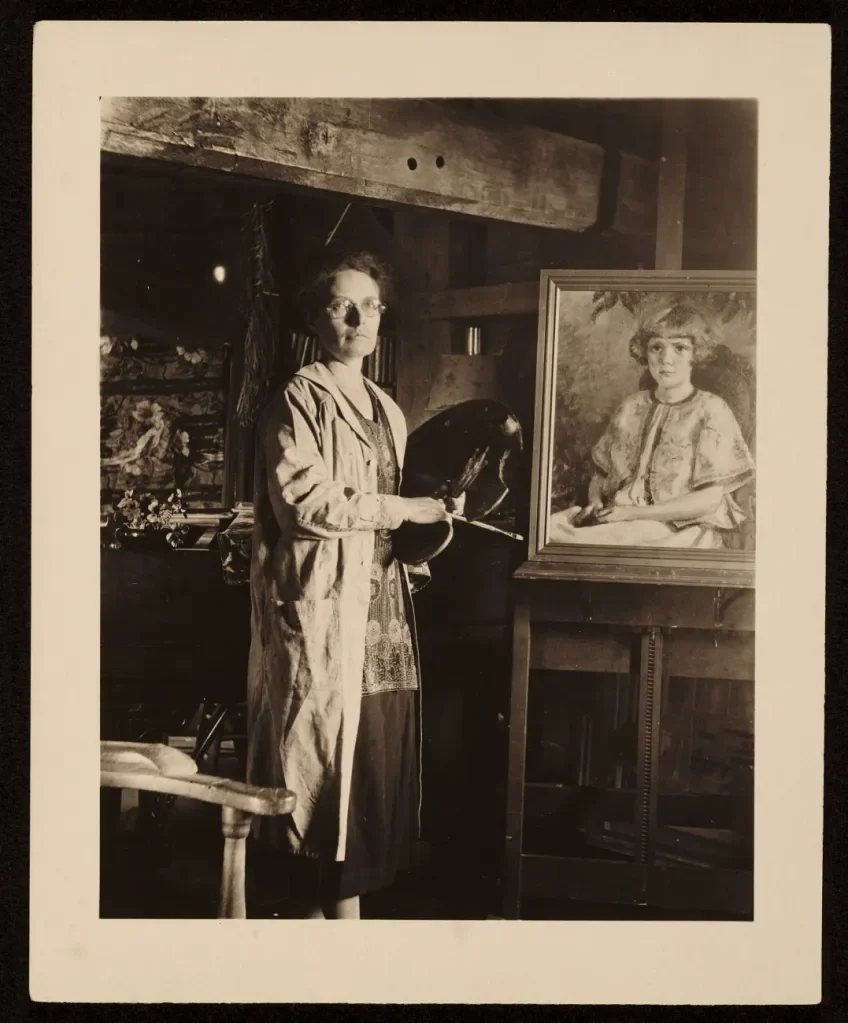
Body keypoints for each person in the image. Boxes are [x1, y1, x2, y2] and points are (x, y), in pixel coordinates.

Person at [245, 246, 454, 920]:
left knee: (367, 777)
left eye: (371, 306)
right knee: (321, 779)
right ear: (317, 318)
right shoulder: (297, 398)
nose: (360, 317)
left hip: (380, 616)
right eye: (344, 305)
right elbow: (304, 503)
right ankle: (317, 944)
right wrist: (400, 510)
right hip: (325, 610)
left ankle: (344, 937)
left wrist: (427, 531)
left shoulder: (387, 409)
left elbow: (393, 516)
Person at [549, 303, 755, 549]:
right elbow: (601, 474)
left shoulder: (712, 410)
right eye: (657, 347)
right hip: (619, 519)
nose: (666, 360)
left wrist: (633, 514)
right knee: (548, 529)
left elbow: (710, 500)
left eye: (679, 348)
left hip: (682, 527)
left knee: (582, 545)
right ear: (644, 352)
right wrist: (595, 502)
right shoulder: (631, 406)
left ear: (696, 353)